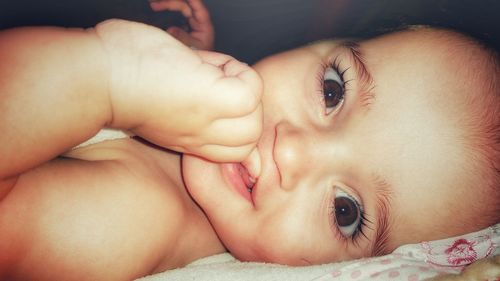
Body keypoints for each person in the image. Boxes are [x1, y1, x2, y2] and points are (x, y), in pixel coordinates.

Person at [0, 1, 499, 280]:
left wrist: (110, 78)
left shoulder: (134, 220)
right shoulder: (230, 164)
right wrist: (200, 54)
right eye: (332, 90)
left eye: (345, 211)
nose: (291, 149)